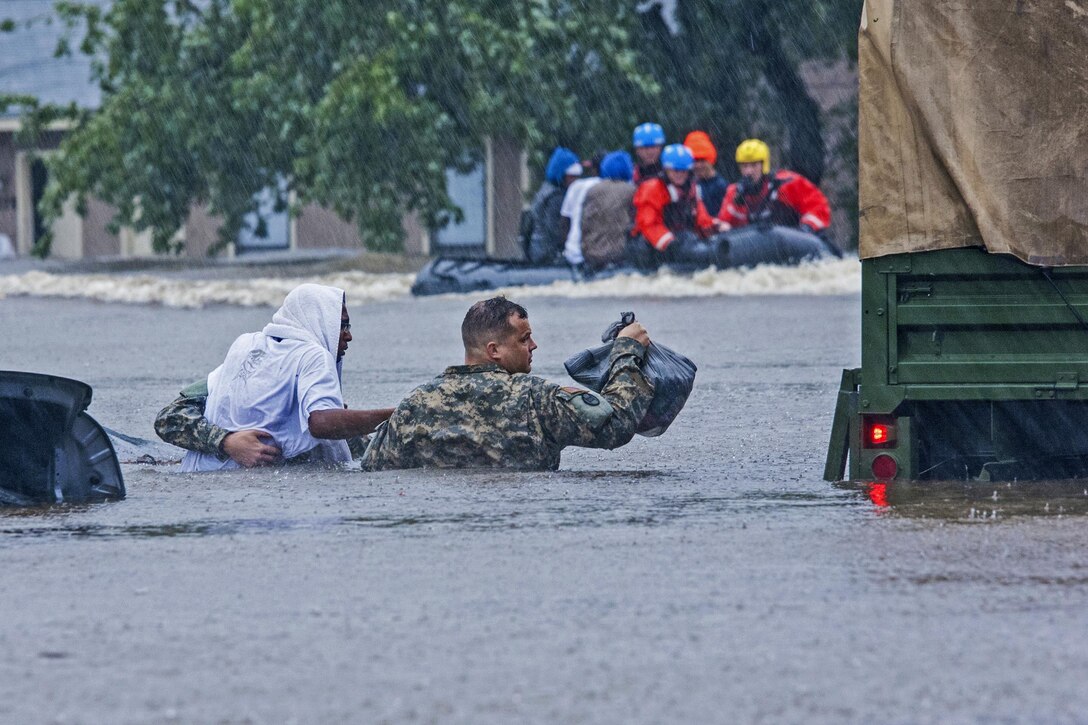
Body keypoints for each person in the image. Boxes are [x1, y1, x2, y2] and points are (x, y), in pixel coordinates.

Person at [361, 297, 654, 471]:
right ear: (494, 350)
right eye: (524, 339)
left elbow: (373, 466)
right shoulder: (536, 398)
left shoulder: (415, 404)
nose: (534, 346)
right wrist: (627, 352)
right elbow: (616, 425)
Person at [155, 284, 393, 470]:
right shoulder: (290, 356)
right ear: (319, 322)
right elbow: (169, 418)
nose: (348, 336)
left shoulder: (253, 348)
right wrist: (227, 442)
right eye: (342, 326)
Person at [630, 143, 728, 269]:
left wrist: (715, 226)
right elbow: (649, 224)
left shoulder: (691, 189)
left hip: (680, 242)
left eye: (683, 170)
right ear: (666, 170)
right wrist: (670, 243)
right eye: (675, 170)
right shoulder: (652, 189)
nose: (679, 174)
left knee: (690, 239)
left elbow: (700, 218)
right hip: (651, 248)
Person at [720, 138, 832, 236]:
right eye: (744, 166)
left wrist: (807, 227)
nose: (749, 171)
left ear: (764, 165)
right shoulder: (734, 193)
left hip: (794, 238)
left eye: (754, 165)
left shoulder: (785, 184)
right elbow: (725, 224)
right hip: (757, 247)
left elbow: (818, 206)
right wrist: (737, 204)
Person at [576, 151, 637, 271]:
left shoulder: (593, 190)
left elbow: (584, 223)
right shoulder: (631, 191)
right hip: (619, 256)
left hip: (592, 254)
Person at [526, 147, 582, 264]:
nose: (575, 181)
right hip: (546, 253)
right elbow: (554, 229)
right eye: (572, 177)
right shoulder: (557, 197)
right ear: (562, 175)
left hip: (536, 249)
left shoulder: (545, 189)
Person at [560, 150, 605, 270]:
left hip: (573, 254)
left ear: (592, 169)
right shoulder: (617, 189)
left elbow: (564, 222)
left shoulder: (576, 186)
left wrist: (567, 248)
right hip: (601, 257)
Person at [684, 131, 727, 217]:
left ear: (711, 160)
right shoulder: (688, 185)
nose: (698, 165)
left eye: (702, 160)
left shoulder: (721, 187)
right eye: (695, 161)